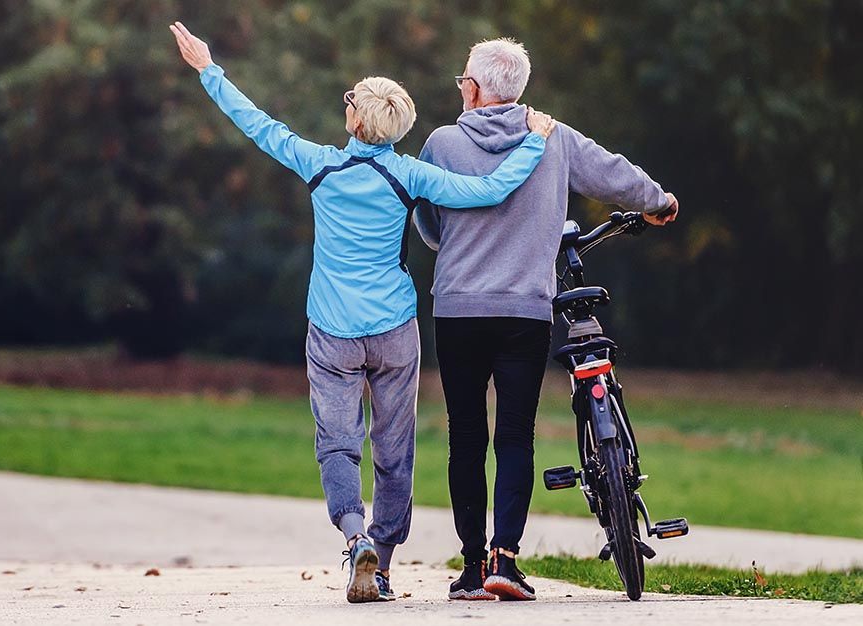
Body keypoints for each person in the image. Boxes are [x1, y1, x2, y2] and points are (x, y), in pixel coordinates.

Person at [169, 22, 557, 604]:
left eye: (350, 100)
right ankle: (386, 558)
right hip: (395, 330)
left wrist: (208, 68)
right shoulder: (409, 174)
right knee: (394, 449)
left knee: (337, 442)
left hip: (332, 330)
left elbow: (256, 125)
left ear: (355, 121)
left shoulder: (318, 164)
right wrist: (534, 140)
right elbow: (489, 192)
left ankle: (356, 540)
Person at [413, 38, 679, 602]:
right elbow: (611, 174)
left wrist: (456, 241)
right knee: (514, 435)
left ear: (475, 87)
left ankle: (468, 568)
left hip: (458, 309)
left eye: (464, 78)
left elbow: (430, 224)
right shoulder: (553, 139)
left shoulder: (441, 143)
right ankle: (504, 562)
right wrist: (658, 200)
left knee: (466, 435)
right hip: (525, 312)